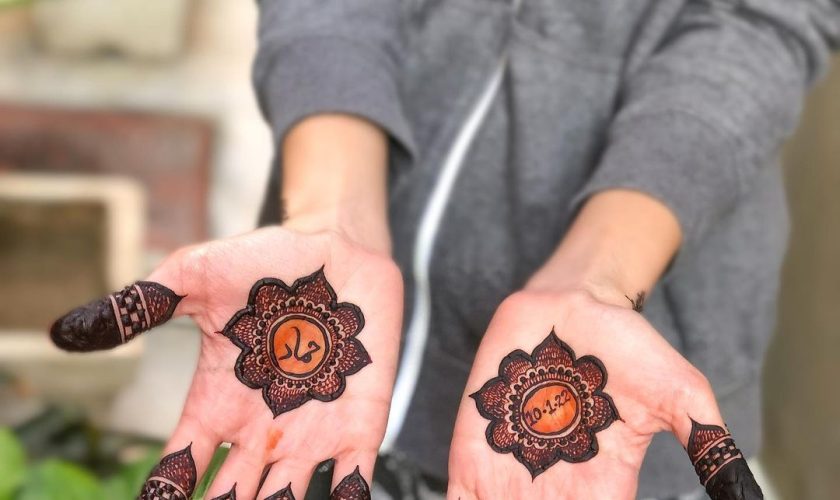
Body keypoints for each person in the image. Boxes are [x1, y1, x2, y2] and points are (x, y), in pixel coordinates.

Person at [50, 1, 840, 499]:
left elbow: (762, 24)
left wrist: (598, 280)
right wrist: (331, 220)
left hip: (603, 428)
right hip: (312, 420)